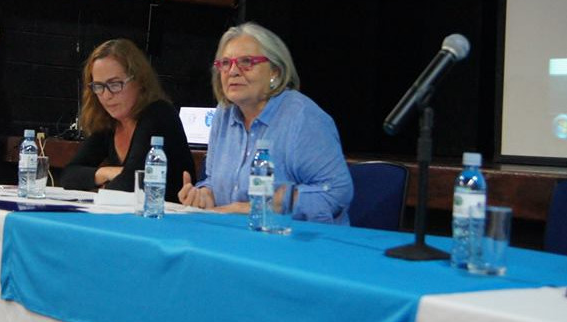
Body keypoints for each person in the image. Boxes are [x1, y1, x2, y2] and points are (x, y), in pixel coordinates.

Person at [178, 22, 353, 224]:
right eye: (225, 63)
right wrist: (205, 194)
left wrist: (268, 206)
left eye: (246, 62)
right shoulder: (223, 114)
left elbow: (337, 192)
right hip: (234, 237)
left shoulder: (302, 117)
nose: (233, 71)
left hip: (297, 244)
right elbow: (212, 180)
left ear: (275, 72)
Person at [61, 38, 195, 199]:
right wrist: (106, 172)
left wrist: (101, 185)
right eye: (98, 86)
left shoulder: (158, 113)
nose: (106, 95)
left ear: (138, 80)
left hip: (168, 219)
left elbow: (131, 183)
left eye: (115, 84)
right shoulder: (109, 121)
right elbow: (68, 175)